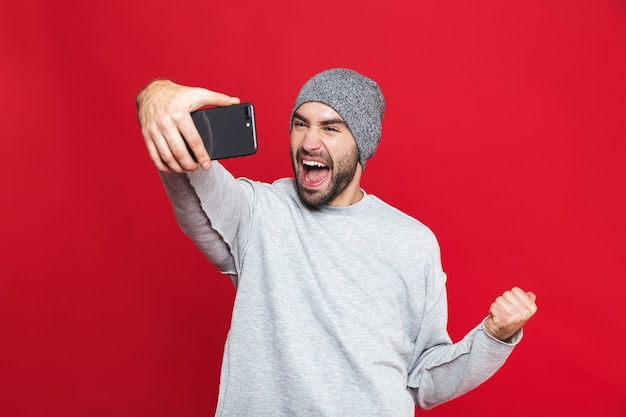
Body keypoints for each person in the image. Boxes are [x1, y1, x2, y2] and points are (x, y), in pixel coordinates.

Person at [136, 68, 537, 416]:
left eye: (330, 127)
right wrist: (156, 97)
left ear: (361, 145)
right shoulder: (259, 213)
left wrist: (493, 337)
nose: (309, 142)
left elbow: (425, 382)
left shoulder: (413, 243)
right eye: (300, 123)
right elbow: (193, 188)